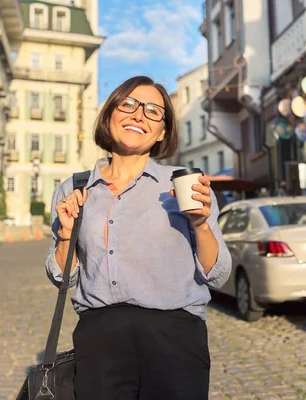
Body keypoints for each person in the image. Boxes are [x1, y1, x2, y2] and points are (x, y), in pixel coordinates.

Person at [45, 76, 231, 399]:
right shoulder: (74, 189)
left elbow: (218, 272)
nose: (138, 115)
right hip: (99, 344)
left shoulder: (184, 185)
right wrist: (65, 235)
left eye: (153, 111)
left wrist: (201, 224)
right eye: (128, 104)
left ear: (162, 132)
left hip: (176, 342)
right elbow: (63, 277)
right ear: (109, 115)